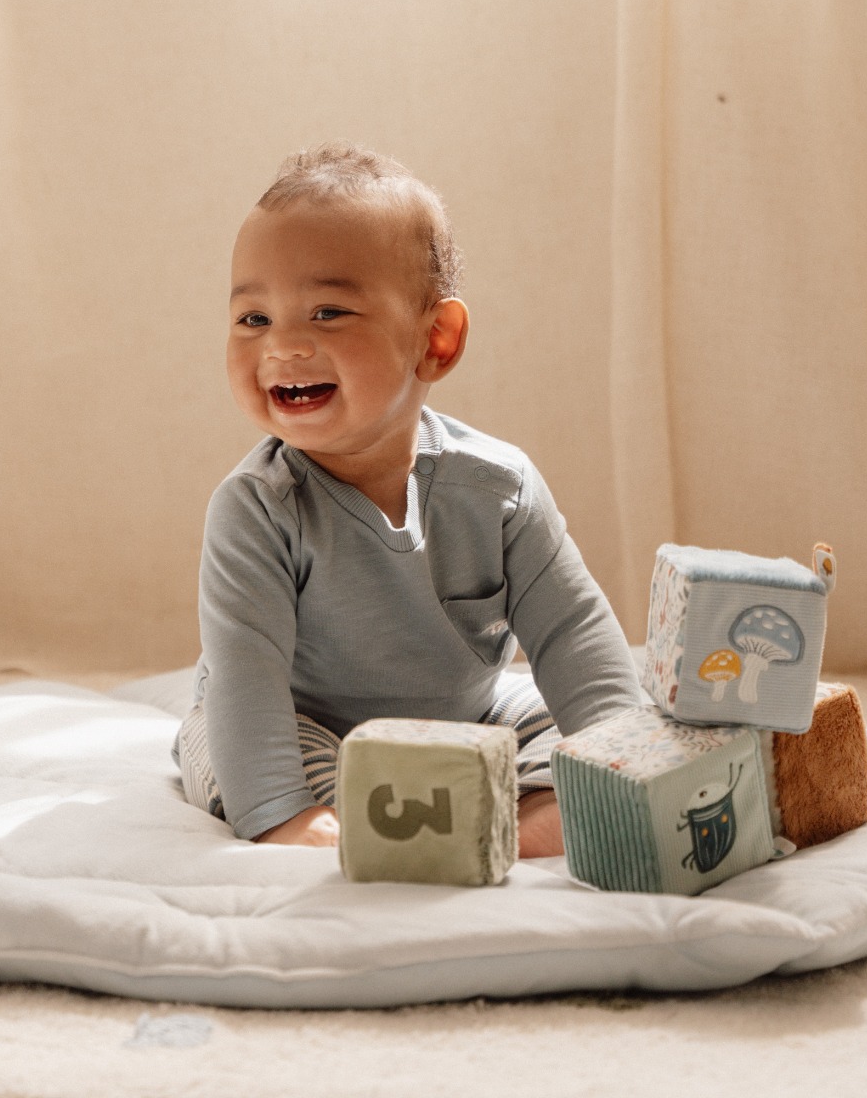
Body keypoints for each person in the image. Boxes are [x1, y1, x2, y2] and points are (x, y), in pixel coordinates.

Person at [174, 142, 644, 856]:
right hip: (306, 721)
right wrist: (276, 806)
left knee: (567, 720)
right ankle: (324, 828)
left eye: (327, 312)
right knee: (228, 736)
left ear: (436, 341)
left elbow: (572, 633)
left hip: (468, 718)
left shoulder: (498, 488)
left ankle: (530, 816)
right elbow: (247, 682)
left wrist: (624, 758)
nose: (282, 346)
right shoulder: (257, 509)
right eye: (253, 319)